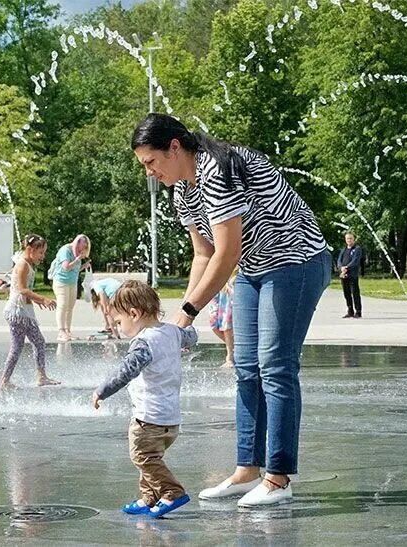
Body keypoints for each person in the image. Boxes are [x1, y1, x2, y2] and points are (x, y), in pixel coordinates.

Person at [131, 113, 331, 507]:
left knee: (276, 366)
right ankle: (247, 470)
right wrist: (179, 322)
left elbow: (227, 253)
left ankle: (278, 476)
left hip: (296, 262)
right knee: (246, 368)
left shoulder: (216, 169)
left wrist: (188, 311)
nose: (150, 173)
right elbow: (203, 254)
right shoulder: (183, 191)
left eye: (151, 163)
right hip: (255, 269)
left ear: (174, 147)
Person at [92, 280, 198, 518]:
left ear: (134, 313)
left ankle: (171, 492)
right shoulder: (172, 331)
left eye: (119, 322)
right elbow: (191, 336)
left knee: (142, 456)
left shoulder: (143, 343)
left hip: (148, 418)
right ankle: (150, 497)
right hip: (171, 419)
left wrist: (102, 391)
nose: (119, 328)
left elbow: (125, 372)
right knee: (151, 459)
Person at [0, 234, 60, 389]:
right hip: (18, 312)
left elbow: (24, 291)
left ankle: (5, 380)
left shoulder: (27, 264)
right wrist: (42, 299)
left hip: (21, 311)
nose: (43, 256)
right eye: (41, 252)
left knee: (19, 346)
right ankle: (40, 377)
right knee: (38, 342)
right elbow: (21, 289)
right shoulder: (23, 264)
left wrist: (35, 301)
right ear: (30, 249)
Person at [49, 234, 91, 341]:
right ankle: (61, 331)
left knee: (70, 306)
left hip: (72, 282)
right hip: (61, 282)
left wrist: (83, 266)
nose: (85, 247)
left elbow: (75, 269)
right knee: (62, 305)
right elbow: (66, 267)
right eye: (84, 244)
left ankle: (67, 331)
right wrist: (77, 259)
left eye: (86, 245)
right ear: (78, 242)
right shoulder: (66, 250)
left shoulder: (78, 253)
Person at [209, 269, 236, 367]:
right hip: (219, 283)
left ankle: (230, 356)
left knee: (227, 321)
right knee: (214, 323)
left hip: (233, 280)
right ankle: (238, 348)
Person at [337, 232, 363, 318]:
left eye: (350, 238)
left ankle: (358, 311)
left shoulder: (357, 249)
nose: (349, 240)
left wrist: (347, 267)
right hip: (343, 274)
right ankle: (350, 310)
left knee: (355, 293)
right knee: (346, 293)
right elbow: (339, 260)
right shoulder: (343, 250)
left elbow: (355, 261)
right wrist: (341, 267)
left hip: (352, 274)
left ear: (354, 239)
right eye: (347, 238)